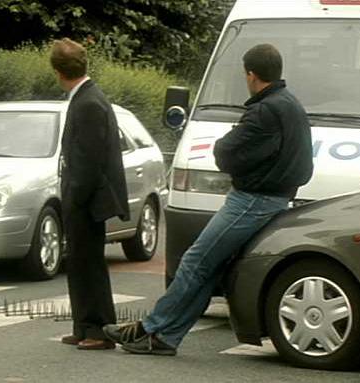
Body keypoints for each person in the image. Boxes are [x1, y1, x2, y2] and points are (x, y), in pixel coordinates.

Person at [103, 43, 314, 355]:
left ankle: (148, 328)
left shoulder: (265, 110)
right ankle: (165, 338)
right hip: (276, 197)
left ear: (251, 74)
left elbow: (226, 153)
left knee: (194, 261)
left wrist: (225, 147)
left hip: (253, 199)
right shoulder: (291, 104)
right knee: (209, 268)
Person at [51, 38, 130, 350]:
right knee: (80, 262)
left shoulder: (88, 103)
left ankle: (98, 329)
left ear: (58, 71)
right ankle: (84, 326)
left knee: (89, 264)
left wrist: (73, 197)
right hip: (85, 197)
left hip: (86, 200)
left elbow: (88, 161)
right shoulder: (86, 98)